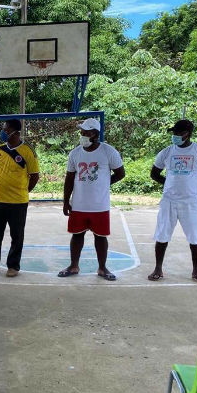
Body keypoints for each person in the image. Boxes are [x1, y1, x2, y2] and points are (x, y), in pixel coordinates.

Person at [148, 119, 197, 284]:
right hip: (169, 201)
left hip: (191, 202)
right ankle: (158, 268)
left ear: (187, 134)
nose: (175, 136)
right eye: (174, 133)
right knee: (162, 235)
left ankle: (196, 271)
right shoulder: (166, 152)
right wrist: (168, 183)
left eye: (178, 133)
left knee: (195, 237)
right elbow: (154, 174)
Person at [57, 118, 125, 281]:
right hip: (79, 204)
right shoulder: (75, 153)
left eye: (86, 133)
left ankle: (102, 268)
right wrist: (66, 201)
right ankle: (74, 266)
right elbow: (69, 178)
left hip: (99, 206)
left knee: (100, 237)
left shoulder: (108, 151)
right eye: (82, 132)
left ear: (95, 134)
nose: (83, 136)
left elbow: (120, 173)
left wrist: (105, 182)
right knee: (77, 236)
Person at [0, 119, 40, 278]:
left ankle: (13, 266)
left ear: (16, 132)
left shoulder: (28, 151)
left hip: (18, 202)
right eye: (4, 129)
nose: (3, 132)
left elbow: (34, 176)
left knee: (17, 235)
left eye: (6, 130)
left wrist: (23, 190)